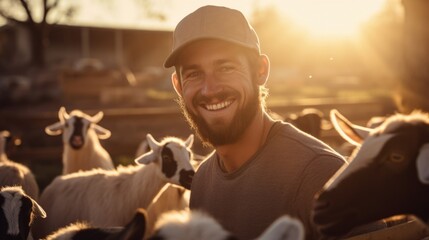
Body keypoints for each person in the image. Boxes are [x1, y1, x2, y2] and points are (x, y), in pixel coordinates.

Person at [163, 5, 346, 239]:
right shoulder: (201, 183)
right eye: (193, 74)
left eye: (226, 67)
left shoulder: (320, 175)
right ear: (178, 86)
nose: (210, 89)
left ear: (260, 70)